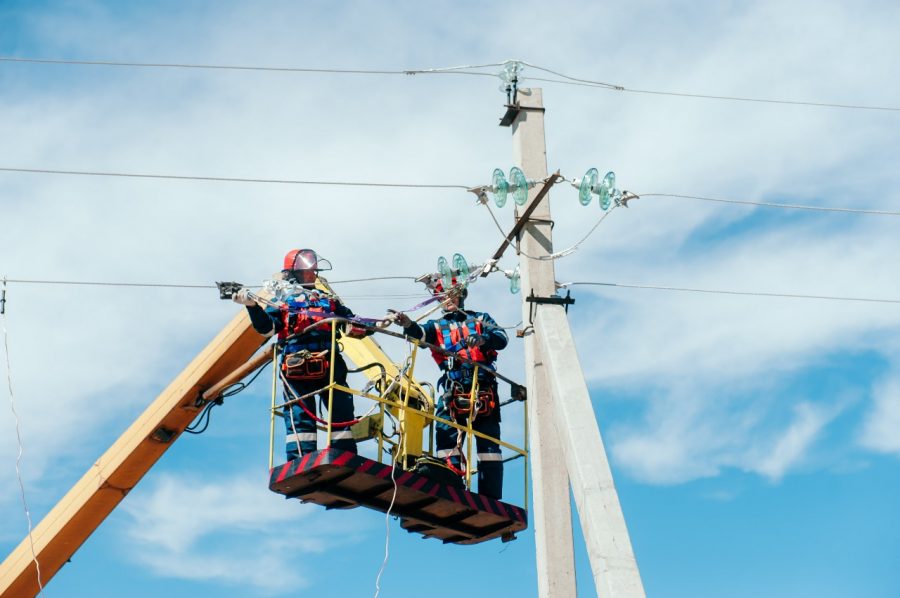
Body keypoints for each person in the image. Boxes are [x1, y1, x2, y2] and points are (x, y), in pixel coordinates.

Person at [233, 248, 360, 461]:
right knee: (300, 415)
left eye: (314, 271)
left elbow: (353, 321)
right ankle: (301, 459)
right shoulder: (282, 301)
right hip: (296, 364)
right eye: (308, 271)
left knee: (342, 409)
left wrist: (373, 324)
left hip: (330, 363)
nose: (313, 274)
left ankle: (344, 455)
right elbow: (267, 329)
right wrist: (252, 307)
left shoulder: (328, 301)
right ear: (294, 273)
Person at [392, 286, 508, 499]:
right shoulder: (437, 326)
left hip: (483, 388)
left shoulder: (480, 318)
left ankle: (490, 495)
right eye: (443, 296)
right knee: (446, 440)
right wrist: (408, 324)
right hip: (453, 390)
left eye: (452, 294)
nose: (448, 299)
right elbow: (421, 334)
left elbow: (502, 337)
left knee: (489, 445)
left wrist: (483, 339)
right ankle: (450, 488)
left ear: (461, 295)